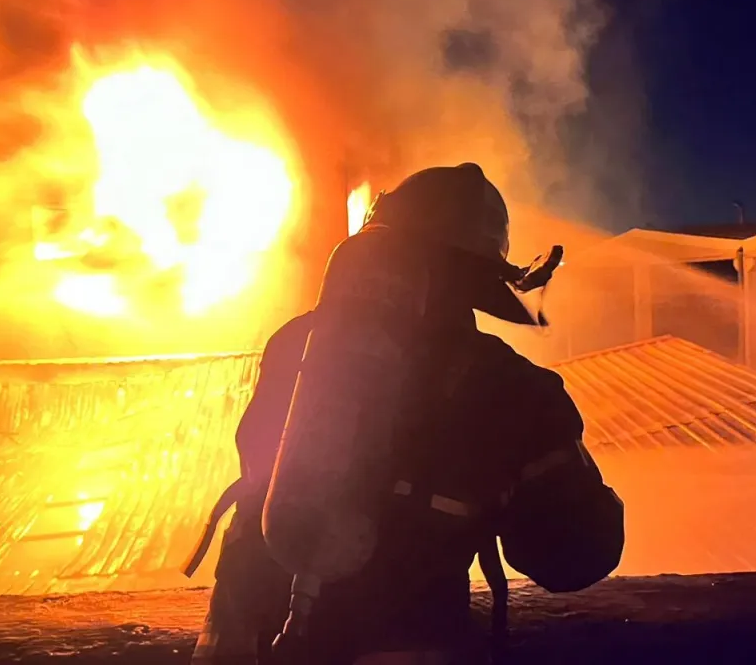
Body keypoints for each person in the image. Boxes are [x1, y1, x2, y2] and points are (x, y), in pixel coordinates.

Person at [187, 163, 606, 665]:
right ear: (479, 279)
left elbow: (255, 463)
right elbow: (573, 557)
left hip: (252, 641)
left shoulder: (295, 344)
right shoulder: (510, 384)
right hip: (404, 645)